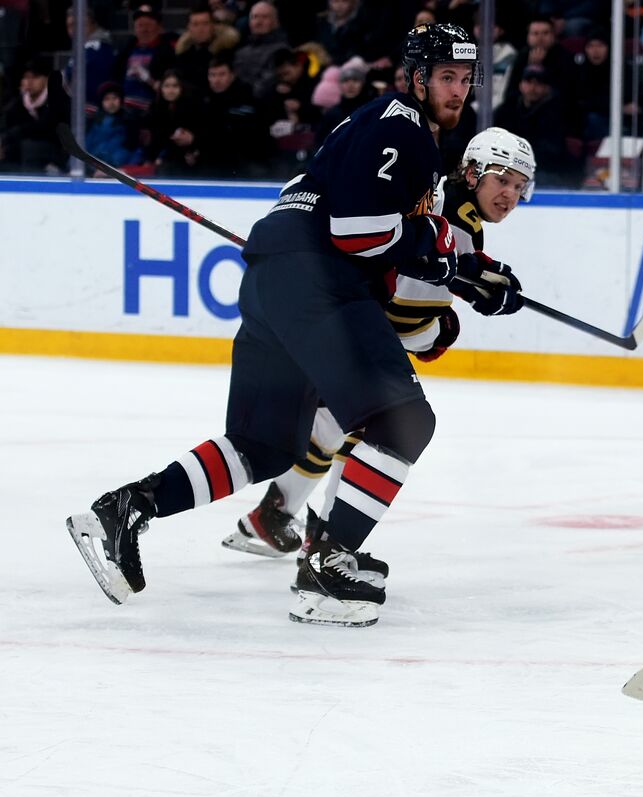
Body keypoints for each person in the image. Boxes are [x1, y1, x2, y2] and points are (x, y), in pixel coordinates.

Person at [66, 23, 489, 628]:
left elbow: (337, 213)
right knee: (403, 420)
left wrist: (461, 268)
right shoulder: (408, 132)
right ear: (418, 78)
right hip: (318, 281)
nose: (457, 92)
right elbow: (359, 234)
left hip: (274, 274)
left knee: (264, 444)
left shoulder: (369, 120)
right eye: (447, 77)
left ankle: (123, 510)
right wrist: (449, 261)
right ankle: (329, 566)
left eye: (465, 81)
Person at [220, 126, 534, 565]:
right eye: (502, 179)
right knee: (370, 430)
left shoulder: (443, 199)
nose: (510, 194)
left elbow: (426, 268)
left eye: (520, 186)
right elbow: (408, 327)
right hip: (342, 319)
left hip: (327, 312)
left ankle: (274, 518)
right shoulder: (459, 221)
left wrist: (472, 281)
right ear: (472, 171)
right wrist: (445, 329)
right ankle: (321, 540)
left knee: (332, 426)